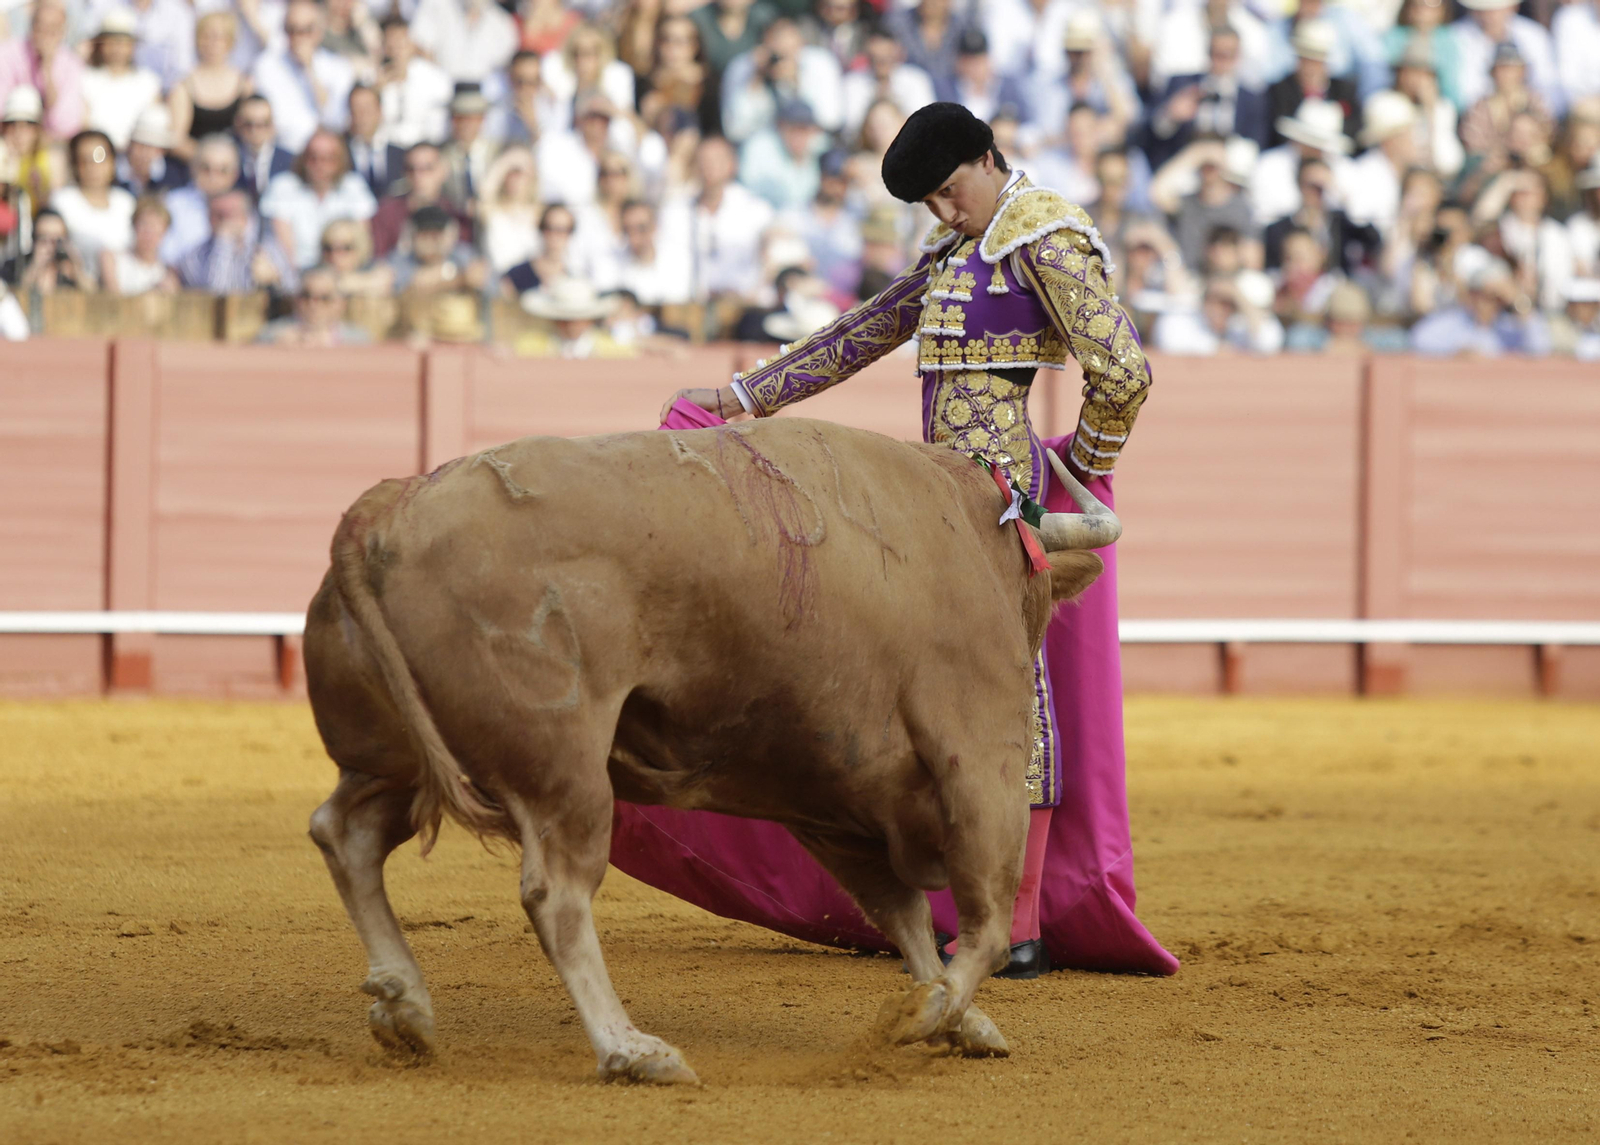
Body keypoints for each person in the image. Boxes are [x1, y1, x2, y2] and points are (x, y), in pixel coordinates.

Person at [649, 102, 1176, 980]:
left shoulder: (1047, 237)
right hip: (931, 503)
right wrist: (743, 398)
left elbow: (1123, 370)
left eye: (947, 190)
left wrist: (1080, 471)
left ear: (984, 156)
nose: (942, 212)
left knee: (1012, 697)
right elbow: (861, 334)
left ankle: (1019, 917)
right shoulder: (957, 253)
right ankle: (950, 900)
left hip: (1007, 508)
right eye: (927, 202)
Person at [259, 127, 376, 269]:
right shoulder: (282, 187)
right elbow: (284, 250)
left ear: (340, 160)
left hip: (344, 272)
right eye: (313, 157)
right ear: (304, 158)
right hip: (297, 273)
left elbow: (361, 244)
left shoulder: (354, 186)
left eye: (327, 158)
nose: (319, 164)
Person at [251, 0, 355, 155]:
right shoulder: (266, 66)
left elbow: (336, 120)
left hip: (325, 154)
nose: (298, 37)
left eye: (306, 30)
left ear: (319, 31)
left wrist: (310, 69)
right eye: (291, 29)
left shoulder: (339, 68)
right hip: (283, 151)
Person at [174, 187, 297, 294]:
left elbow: (294, 289)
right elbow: (216, 293)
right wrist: (223, 243)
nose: (226, 221)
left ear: (246, 217)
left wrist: (275, 279)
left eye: (232, 214)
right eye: (219, 215)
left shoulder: (268, 249)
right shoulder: (194, 257)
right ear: (208, 217)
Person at [50, 128, 135, 280]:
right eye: (85, 160)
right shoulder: (62, 202)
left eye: (100, 158)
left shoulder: (127, 203)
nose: (93, 167)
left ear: (113, 162)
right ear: (75, 164)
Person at [169, 11, 252, 161]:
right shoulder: (183, 87)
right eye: (205, 36)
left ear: (230, 42)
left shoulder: (245, 85)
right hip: (196, 167)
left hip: (236, 167)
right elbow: (177, 140)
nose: (211, 43)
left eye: (218, 37)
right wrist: (209, 160)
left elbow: (251, 132)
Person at [0, 0, 84, 140]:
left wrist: (47, 69)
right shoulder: (7, 54)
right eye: (41, 27)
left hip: (49, 142)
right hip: (9, 136)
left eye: (53, 29)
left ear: (63, 32)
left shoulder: (71, 64)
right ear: (31, 27)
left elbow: (67, 124)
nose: (45, 35)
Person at [80, 8, 161, 151]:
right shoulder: (86, 78)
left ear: (132, 46)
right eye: (111, 42)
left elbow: (153, 128)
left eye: (122, 43)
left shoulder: (148, 81)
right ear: (101, 45)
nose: (117, 49)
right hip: (99, 154)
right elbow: (84, 124)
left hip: (136, 157)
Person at [515, 276, 634, 357]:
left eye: (577, 320)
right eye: (565, 320)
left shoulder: (613, 351)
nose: (571, 326)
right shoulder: (530, 346)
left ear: (589, 320)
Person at [257, 262, 369, 344]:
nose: (313, 305)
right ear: (296, 299)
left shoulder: (357, 340)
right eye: (306, 296)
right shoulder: (273, 335)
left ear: (340, 303)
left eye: (324, 298)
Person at [101, 193, 175, 294]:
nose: (149, 236)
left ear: (164, 233)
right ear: (134, 226)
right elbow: (114, 298)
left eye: (155, 230)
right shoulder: (112, 259)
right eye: (144, 226)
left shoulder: (167, 274)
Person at [345, 84, 404, 198]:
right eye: (355, 108)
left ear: (380, 111)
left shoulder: (400, 156)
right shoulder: (340, 154)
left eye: (366, 108)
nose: (361, 115)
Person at [233, 95, 294, 201]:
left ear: (272, 125)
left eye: (263, 124)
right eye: (249, 124)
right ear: (238, 124)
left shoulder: (290, 162)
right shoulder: (228, 159)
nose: (255, 131)